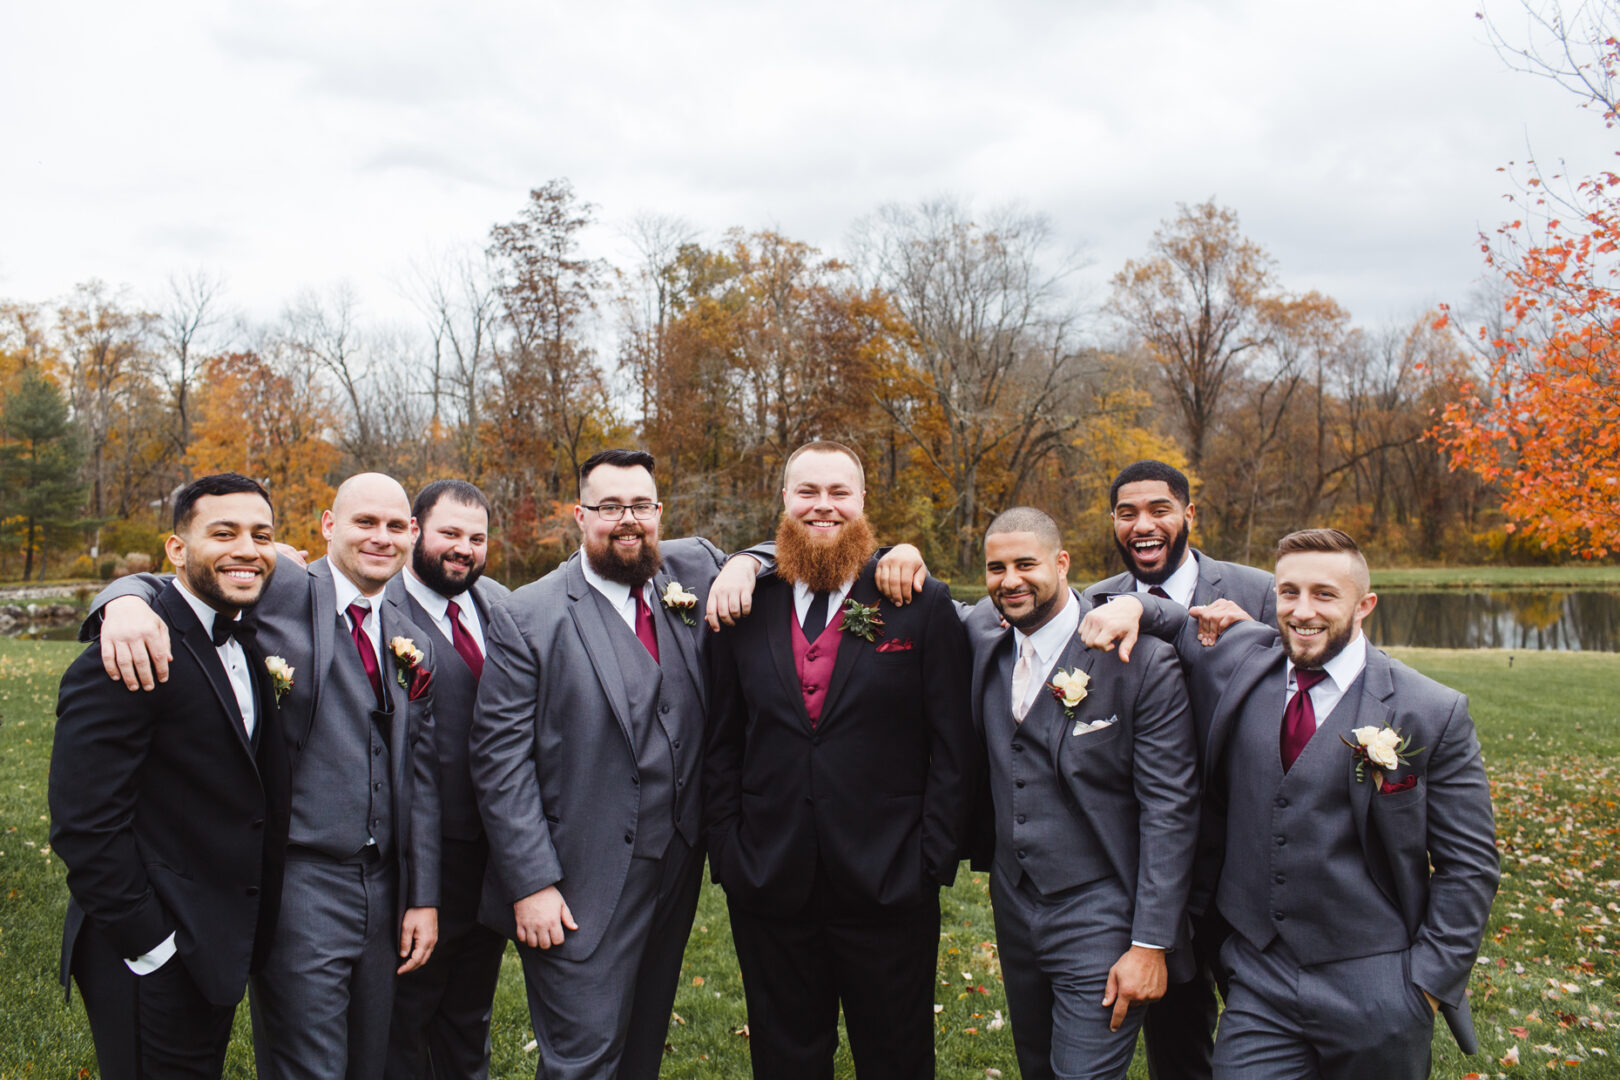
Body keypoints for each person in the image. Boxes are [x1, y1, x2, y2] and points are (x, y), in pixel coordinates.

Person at [1080, 528, 1500, 1080]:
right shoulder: (1241, 657)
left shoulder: (1429, 710)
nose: (1302, 612)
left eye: (1325, 594)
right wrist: (1133, 602)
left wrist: (1424, 987)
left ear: (1365, 604)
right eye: (1288, 593)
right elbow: (1177, 618)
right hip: (1259, 979)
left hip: (1378, 984)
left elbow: (1470, 865)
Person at [85, 473, 444, 1080]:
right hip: (300, 875)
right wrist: (119, 601)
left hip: (385, 889)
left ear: (411, 534)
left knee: (373, 1062)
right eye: (363, 523)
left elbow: (421, 775)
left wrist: (424, 896)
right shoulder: (280, 587)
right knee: (309, 1065)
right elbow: (181, 578)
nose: (379, 538)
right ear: (329, 526)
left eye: (393, 526)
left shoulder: (413, 631)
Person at [469, 448, 783, 1080]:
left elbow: (785, 547)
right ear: (580, 515)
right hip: (578, 876)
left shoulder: (689, 569)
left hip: (675, 865)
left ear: (659, 512)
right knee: (583, 1058)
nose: (627, 520)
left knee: (641, 1048)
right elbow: (499, 761)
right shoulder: (529, 616)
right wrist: (531, 883)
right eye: (610, 507)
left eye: (640, 505)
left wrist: (749, 563)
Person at [703, 440, 977, 1080]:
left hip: (891, 882)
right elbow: (722, 738)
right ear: (784, 501)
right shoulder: (743, 601)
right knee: (785, 1057)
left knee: (898, 1057)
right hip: (769, 879)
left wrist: (929, 862)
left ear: (861, 503)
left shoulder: (915, 599)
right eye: (807, 492)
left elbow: (953, 747)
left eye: (838, 494)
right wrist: (731, 851)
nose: (822, 507)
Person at [49, 473, 292, 1080]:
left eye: (261, 535)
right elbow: (84, 825)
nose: (247, 548)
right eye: (223, 532)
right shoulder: (130, 646)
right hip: (147, 950)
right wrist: (153, 947)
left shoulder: (242, 632)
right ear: (177, 550)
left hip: (210, 943)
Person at [962, 507, 1198, 1080]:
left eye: (1026, 564)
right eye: (996, 568)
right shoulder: (982, 638)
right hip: (1015, 904)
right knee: (1036, 1067)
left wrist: (1149, 944)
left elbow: (1171, 809)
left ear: (1062, 563)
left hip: (1101, 909)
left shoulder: (1142, 661)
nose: (1010, 580)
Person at [1082, 458, 1274, 1080]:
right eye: (1127, 513)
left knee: (1275, 1039)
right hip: (1156, 868)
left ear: (1189, 514)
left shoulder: (1259, 593)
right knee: (1178, 1046)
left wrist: (1259, 641)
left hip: (1251, 859)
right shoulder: (1094, 603)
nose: (1143, 525)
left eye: (1158, 509)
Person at [384, 480, 510, 1080]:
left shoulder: (502, 606)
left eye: (477, 538)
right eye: (450, 534)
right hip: (414, 859)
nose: (464, 549)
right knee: (404, 1025)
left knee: (469, 1020)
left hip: (494, 861)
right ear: (415, 531)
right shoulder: (372, 601)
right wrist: (122, 598)